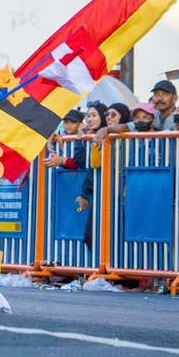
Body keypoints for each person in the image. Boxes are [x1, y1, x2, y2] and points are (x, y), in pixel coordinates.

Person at [94, 80, 178, 145]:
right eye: (156, 94)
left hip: (178, 165)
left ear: (174, 98)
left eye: (165, 94)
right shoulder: (150, 115)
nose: (160, 98)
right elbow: (127, 127)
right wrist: (106, 129)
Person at [76, 102, 108, 249]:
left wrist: (84, 193)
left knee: (95, 237)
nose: (89, 119)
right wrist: (79, 138)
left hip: (107, 194)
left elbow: (95, 166)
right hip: (96, 194)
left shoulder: (105, 137)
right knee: (90, 237)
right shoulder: (91, 136)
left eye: (94, 115)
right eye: (87, 116)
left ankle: (106, 269)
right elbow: (81, 162)